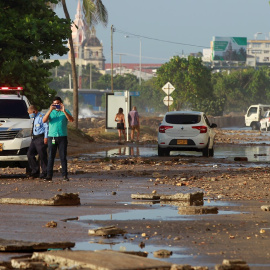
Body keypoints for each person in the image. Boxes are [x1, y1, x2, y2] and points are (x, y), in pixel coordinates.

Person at [42, 97, 74, 181]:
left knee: (63, 156)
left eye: (58, 103)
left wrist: (64, 111)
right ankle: (49, 175)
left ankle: (64, 175)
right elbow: (44, 120)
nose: (57, 105)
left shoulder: (66, 111)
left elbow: (71, 120)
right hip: (52, 136)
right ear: (52, 104)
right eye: (55, 103)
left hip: (62, 137)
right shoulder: (51, 112)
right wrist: (49, 110)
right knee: (51, 156)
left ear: (61, 103)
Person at [27, 105, 48, 179]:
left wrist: (46, 137)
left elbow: (46, 127)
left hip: (41, 138)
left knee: (42, 155)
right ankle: (35, 171)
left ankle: (45, 172)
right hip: (34, 138)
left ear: (35, 111)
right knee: (30, 154)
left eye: (30, 113)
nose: (30, 114)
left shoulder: (42, 116)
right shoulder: (34, 117)